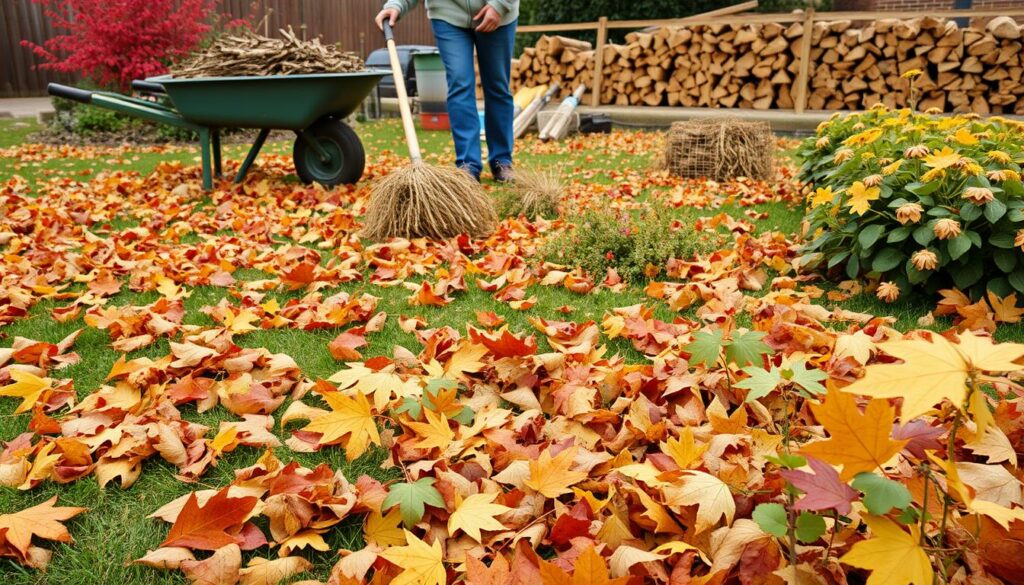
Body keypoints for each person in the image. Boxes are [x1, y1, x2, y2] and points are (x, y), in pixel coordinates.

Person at [375, 0, 519, 182]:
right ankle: (468, 165)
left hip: (499, 15)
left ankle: (502, 161)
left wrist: (499, 5)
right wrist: (395, 5)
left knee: (497, 85)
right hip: (447, 14)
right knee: (459, 83)